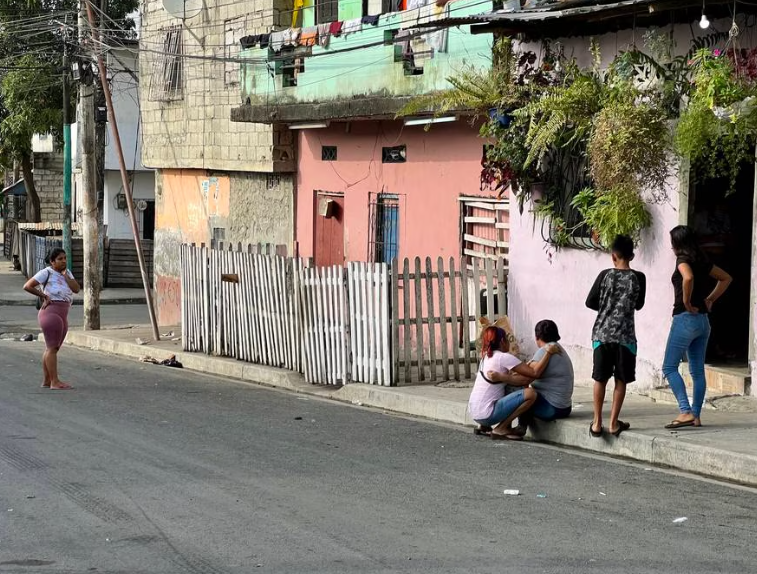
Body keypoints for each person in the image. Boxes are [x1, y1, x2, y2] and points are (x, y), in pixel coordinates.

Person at [662, 225, 732, 429]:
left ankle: (685, 411)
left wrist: (686, 301)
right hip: (703, 321)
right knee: (697, 371)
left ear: (677, 244)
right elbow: (726, 278)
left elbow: (688, 278)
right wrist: (710, 299)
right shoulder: (703, 261)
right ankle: (696, 415)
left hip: (685, 318)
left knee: (669, 367)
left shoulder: (682, 260)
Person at [586, 235, 646, 438]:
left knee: (600, 379)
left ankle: (596, 423)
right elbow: (639, 305)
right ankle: (613, 423)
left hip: (601, 334)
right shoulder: (639, 278)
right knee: (621, 380)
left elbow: (590, 302)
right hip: (626, 337)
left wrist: (606, 307)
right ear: (632, 255)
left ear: (613, 256)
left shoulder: (604, 275)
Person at [468, 325, 560, 441]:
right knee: (531, 394)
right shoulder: (503, 357)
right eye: (507, 339)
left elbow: (511, 379)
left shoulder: (486, 357)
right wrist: (548, 354)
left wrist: (505, 377)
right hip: (488, 414)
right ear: (502, 341)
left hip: (475, 413)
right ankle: (502, 428)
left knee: (509, 386)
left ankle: (484, 426)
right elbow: (534, 373)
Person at [23, 248, 80, 390]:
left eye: (65, 258)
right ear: (52, 261)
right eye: (60, 259)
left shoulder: (67, 273)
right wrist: (43, 295)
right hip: (50, 312)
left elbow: (76, 289)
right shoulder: (46, 272)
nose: (64, 261)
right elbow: (27, 286)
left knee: (53, 348)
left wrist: (67, 277)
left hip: (63, 313)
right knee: (52, 348)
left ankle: (47, 381)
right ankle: (55, 382)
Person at [517, 320, 574, 431]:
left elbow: (527, 375)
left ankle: (520, 427)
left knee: (518, 395)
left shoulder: (545, 350)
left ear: (537, 337)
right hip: (565, 407)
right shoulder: (558, 348)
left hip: (552, 407)